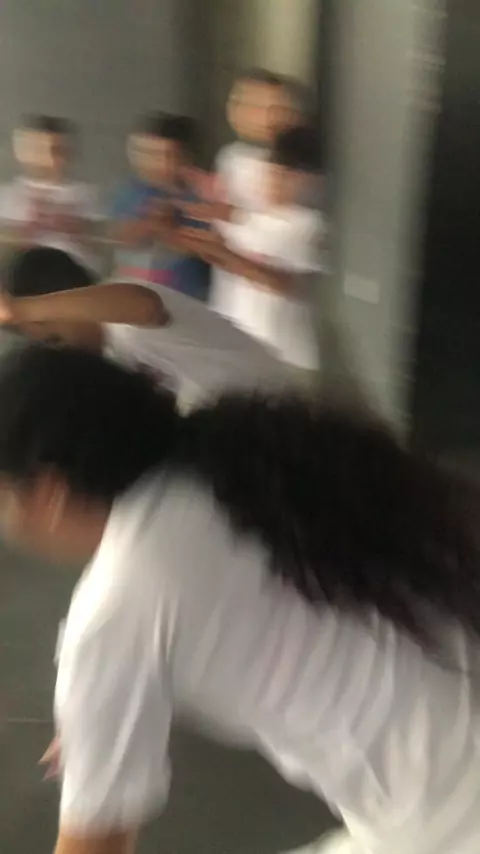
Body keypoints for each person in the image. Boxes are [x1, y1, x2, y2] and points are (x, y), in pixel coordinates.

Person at [0, 343, 480, 854]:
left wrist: (101, 694)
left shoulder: (118, 605)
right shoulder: (234, 468)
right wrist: (105, 709)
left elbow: (94, 847)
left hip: (449, 822)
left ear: (48, 493)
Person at [0, 246, 292, 407]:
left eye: (55, 338)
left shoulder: (123, 305)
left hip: (276, 412)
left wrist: (21, 309)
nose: (63, 351)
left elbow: (145, 306)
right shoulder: (109, 354)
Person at [188, 126, 326, 378]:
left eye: (286, 176)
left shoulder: (310, 225)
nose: (272, 183)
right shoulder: (250, 219)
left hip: (287, 356)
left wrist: (226, 255)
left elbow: (288, 283)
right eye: (270, 173)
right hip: (241, 347)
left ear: (312, 181)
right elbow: (225, 235)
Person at [110, 112, 210, 302]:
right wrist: (150, 221)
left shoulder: (199, 196)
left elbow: (204, 249)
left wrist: (171, 227)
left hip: (184, 298)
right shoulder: (131, 191)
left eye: (164, 155)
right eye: (144, 153)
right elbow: (120, 237)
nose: (152, 163)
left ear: (185, 157)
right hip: (132, 296)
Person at [0, 115, 101, 280]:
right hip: (24, 277)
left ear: (69, 153)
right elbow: (5, 244)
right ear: (20, 151)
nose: (47, 157)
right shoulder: (10, 194)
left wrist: (73, 226)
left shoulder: (84, 194)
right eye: (37, 150)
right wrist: (28, 228)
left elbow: (101, 242)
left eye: (57, 150)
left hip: (76, 275)